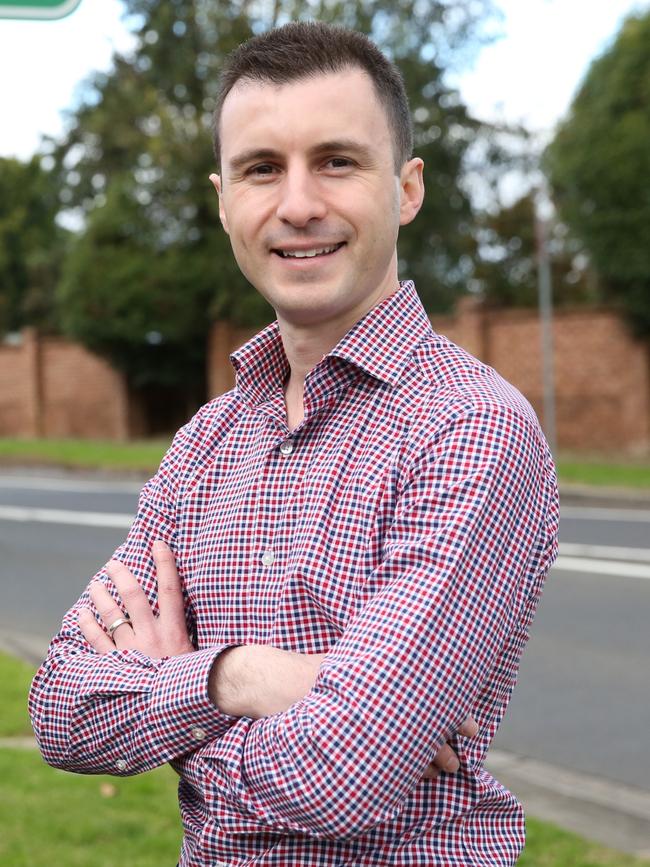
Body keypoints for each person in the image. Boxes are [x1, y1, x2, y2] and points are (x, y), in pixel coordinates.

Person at [29, 21, 559, 867]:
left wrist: (168, 698)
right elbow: (62, 708)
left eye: (337, 161)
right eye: (262, 168)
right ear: (224, 199)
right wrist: (240, 676)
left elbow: (342, 771)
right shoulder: (206, 441)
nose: (299, 203)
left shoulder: (472, 429)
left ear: (408, 188)